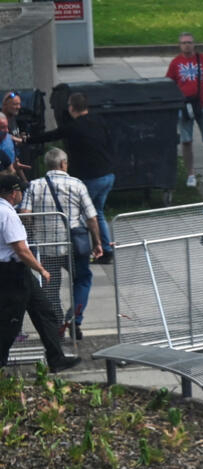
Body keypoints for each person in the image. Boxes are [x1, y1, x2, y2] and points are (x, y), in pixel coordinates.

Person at [18, 148, 103, 340]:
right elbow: (91, 217)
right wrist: (98, 242)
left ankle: (57, 325)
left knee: (51, 286)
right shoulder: (77, 184)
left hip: (46, 246)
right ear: (63, 164)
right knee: (82, 279)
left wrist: (35, 230)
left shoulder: (34, 185)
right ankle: (74, 319)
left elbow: (25, 213)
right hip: (74, 245)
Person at [0, 174, 81, 373]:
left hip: (18, 272)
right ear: (13, 193)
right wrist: (40, 269)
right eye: (20, 190)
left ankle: (56, 358)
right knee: (9, 323)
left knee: (44, 312)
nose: (22, 194)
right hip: (13, 274)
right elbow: (20, 249)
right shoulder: (7, 214)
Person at [27, 93, 116, 262]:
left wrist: (26, 139)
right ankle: (105, 250)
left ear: (71, 108)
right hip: (108, 174)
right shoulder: (99, 121)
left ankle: (82, 249)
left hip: (91, 177)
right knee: (98, 212)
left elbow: (51, 135)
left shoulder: (74, 126)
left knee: (84, 215)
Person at [166, 33, 203, 187]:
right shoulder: (175, 63)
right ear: (179, 45)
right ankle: (191, 174)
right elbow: (169, 84)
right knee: (186, 141)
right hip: (185, 107)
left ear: (194, 44)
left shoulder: (202, 59)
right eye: (184, 43)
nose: (187, 45)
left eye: (189, 42)